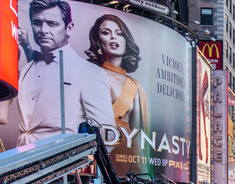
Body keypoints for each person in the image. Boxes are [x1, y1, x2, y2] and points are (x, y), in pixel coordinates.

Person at [16, 0, 115, 146]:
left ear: (69, 28)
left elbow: (107, 137)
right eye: (37, 23)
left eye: (52, 24)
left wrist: (77, 164)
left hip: (65, 165)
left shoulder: (90, 72)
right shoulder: (27, 69)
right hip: (22, 163)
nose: (43, 30)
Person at [84, 14, 149, 145]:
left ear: (126, 41)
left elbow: (140, 135)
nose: (113, 37)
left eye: (119, 33)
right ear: (98, 41)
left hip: (125, 156)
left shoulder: (135, 86)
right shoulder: (86, 75)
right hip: (93, 151)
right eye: (106, 33)